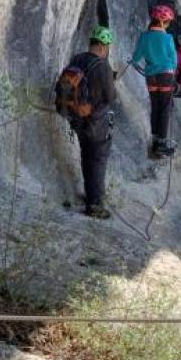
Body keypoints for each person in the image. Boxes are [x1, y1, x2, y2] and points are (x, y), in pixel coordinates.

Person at [58, 25, 117, 219]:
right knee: (98, 160)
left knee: (86, 156)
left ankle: (90, 194)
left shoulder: (77, 58)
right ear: (103, 46)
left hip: (76, 118)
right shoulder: (103, 66)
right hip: (96, 123)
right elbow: (110, 96)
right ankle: (95, 205)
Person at [131, 5, 177, 158]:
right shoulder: (168, 38)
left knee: (155, 107)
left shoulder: (144, 36)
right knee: (164, 108)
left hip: (151, 77)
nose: (169, 24)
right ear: (163, 22)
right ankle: (161, 144)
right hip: (165, 75)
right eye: (168, 22)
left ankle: (155, 138)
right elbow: (174, 61)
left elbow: (136, 57)